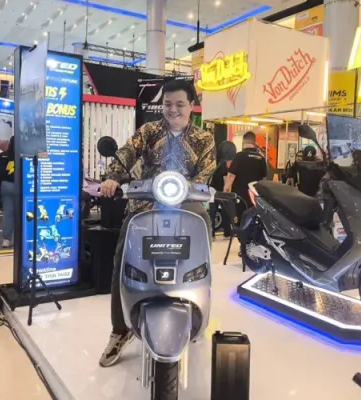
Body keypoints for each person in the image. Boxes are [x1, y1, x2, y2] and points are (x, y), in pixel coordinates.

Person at [98, 79, 216, 368]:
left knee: (203, 233)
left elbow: (205, 173)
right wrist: (112, 177)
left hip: (187, 205)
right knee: (122, 257)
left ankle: (197, 308)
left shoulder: (204, 138)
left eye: (180, 104)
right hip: (146, 205)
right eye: (167, 104)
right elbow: (126, 154)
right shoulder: (148, 131)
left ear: (191, 106)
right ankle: (120, 330)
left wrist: (192, 189)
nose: (173, 109)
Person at [223, 131, 267, 219]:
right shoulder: (261, 159)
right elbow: (264, 181)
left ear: (243, 142)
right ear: (254, 143)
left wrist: (225, 194)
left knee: (240, 223)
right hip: (255, 200)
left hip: (240, 200)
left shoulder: (239, 157)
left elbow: (230, 177)